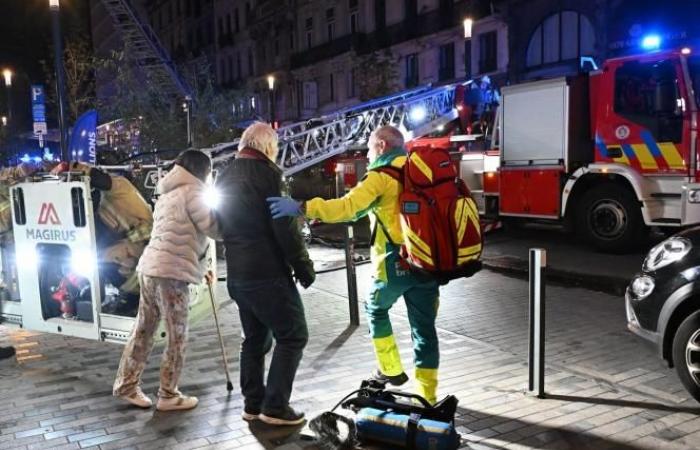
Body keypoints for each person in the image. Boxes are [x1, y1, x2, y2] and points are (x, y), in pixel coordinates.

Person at [268, 125, 442, 404]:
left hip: (394, 263)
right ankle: (428, 395)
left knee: (375, 308)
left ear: (382, 146)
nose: (369, 154)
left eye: (371, 148)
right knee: (424, 330)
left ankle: (390, 369)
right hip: (430, 261)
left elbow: (347, 208)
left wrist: (302, 206)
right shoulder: (424, 171)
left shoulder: (382, 176)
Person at [216, 122, 314, 426]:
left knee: (255, 339)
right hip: (268, 272)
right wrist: (303, 266)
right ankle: (275, 407)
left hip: (238, 274)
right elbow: (285, 228)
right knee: (293, 334)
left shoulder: (225, 174)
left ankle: (252, 404)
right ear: (269, 147)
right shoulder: (270, 176)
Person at [113, 150, 218, 411]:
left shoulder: (167, 194)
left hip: (149, 268)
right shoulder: (193, 193)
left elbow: (181, 235)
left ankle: (127, 385)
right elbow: (215, 229)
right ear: (202, 171)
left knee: (144, 329)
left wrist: (198, 264)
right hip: (171, 274)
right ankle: (169, 395)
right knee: (177, 335)